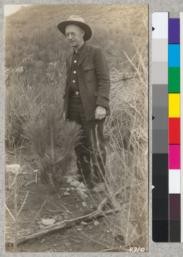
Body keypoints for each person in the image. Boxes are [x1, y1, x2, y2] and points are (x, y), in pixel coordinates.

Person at [57, 15, 110, 188]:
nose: (69, 37)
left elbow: (104, 80)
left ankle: (100, 180)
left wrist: (101, 104)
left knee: (95, 144)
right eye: (67, 35)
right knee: (78, 143)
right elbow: (68, 85)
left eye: (72, 33)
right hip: (73, 107)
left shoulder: (95, 53)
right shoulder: (68, 57)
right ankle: (85, 176)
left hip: (91, 107)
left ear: (82, 33)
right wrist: (65, 108)